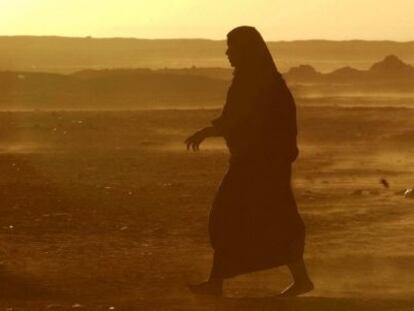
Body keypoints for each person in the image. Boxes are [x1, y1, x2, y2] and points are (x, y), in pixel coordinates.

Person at [184, 26, 313, 297]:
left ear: (246, 50)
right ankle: (219, 283)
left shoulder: (256, 81)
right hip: (258, 163)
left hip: (260, 166)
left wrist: (208, 131)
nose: (228, 53)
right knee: (267, 219)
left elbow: (242, 119)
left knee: (232, 217)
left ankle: (217, 284)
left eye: (233, 47)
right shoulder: (260, 79)